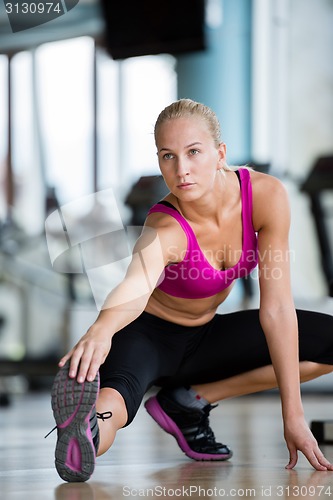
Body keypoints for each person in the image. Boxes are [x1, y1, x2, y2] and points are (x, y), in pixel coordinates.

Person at [50, 99, 333, 483]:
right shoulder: (164, 230)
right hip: (147, 337)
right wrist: (101, 330)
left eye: (193, 152)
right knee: (113, 406)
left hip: (207, 337)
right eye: (167, 156)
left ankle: (188, 401)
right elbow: (134, 286)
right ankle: (83, 434)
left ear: (220, 154)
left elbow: (278, 310)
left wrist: (294, 416)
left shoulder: (265, 197)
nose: (180, 170)